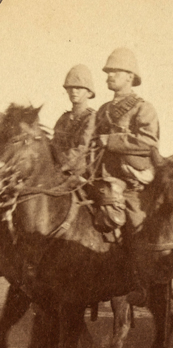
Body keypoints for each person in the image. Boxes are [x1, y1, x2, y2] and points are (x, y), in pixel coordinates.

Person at [93, 47, 160, 235]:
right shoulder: (103, 110)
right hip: (100, 182)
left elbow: (149, 142)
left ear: (130, 76)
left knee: (140, 235)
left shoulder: (143, 108)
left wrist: (111, 141)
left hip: (131, 187)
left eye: (115, 71)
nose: (109, 76)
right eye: (107, 72)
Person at [51, 64, 96, 175]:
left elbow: (82, 149)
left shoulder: (91, 117)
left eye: (79, 88)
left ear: (89, 93)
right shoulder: (63, 118)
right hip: (58, 170)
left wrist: (59, 167)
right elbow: (54, 144)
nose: (73, 91)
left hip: (80, 174)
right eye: (70, 88)